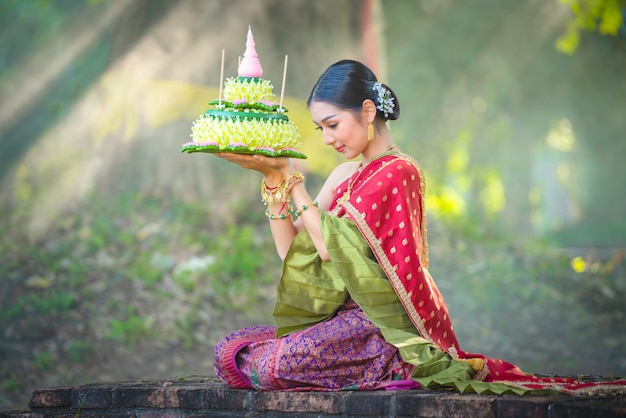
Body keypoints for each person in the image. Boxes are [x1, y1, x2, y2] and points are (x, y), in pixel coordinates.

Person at [212, 60, 625, 395]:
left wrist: (291, 175)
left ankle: (390, 364)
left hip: (382, 326)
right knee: (232, 352)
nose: (326, 138)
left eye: (332, 124)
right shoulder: (342, 176)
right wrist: (271, 181)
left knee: (269, 365)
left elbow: (328, 249)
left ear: (368, 111)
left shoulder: (399, 171)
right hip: (341, 318)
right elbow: (296, 252)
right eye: (321, 128)